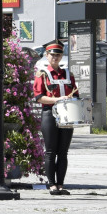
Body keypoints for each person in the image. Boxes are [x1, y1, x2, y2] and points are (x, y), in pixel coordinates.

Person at [34, 40, 79, 196]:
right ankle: (52, 184)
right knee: (50, 151)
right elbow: (39, 97)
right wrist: (57, 100)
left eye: (58, 55)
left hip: (67, 115)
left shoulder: (68, 74)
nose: (55, 57)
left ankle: (61, 184)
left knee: (63, 152)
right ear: (47, 55)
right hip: (49, 114)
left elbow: (76, 94)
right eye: (53, 55)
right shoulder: (42, 74)